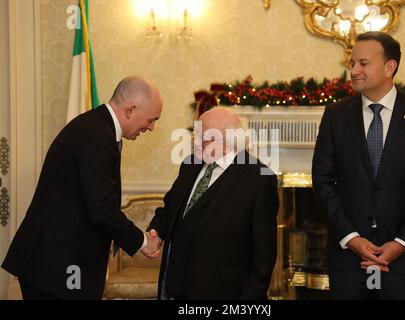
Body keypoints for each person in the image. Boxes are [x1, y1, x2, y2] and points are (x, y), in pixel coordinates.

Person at [312, 32, 405, 299]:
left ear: (390, 67)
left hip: (404, 264)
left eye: (363, 63)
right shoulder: (335, 116)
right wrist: (351, 238)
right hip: (348, 263)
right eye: (352, 64)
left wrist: (400, 244)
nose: (354, 71)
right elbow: (322, 182)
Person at [2, 76, 163, 299]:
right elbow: (101, 210)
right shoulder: (97, 135)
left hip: (61, 260)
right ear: (131, 109)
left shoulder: (98, 128)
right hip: (59, 263)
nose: (151, 127)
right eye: (151, 119)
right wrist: (143, 242)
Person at [148, 107, 279, 300]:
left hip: (223, 293)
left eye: (204, 136)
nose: (195, 141)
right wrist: (156, 231)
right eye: (196, 134)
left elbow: (263, 256)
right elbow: (171, 209)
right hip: (177, 288)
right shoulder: (190, 164)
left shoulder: (259, 178)